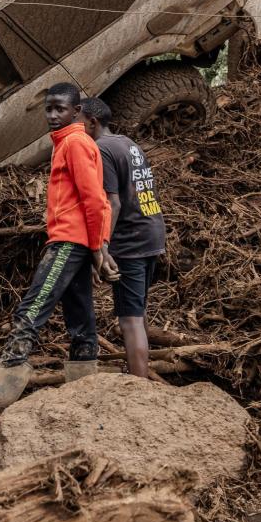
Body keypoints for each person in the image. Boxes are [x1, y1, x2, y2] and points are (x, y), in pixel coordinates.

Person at [0, 83, 112, 411]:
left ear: (76, 111)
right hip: (75, 240)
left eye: (60, 109)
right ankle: (85, 389)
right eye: (48, 108)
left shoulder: (75, 144)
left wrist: (98, 248)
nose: (52, 115)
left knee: (33, 308)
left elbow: (95, 199)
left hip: (70, 242)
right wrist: (97, 246)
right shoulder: (68, 142)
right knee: (80, 316)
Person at [80, 97, 165, 379]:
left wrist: (102, 248)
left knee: (130, 319)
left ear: (92, 122)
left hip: (131, 241)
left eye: (78, 121)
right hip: (151, 232)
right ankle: (139, 374)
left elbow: (112, 203)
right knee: (137, 313)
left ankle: (138, 390)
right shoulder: (127, 143)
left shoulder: (100, 149)